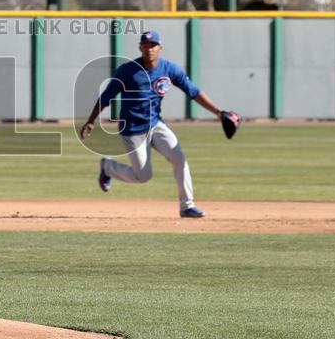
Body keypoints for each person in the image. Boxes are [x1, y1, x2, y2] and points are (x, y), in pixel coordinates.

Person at [79, 30, 232, 218]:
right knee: (143, 176)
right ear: (140, 47)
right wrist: (91, 121)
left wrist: (219, 112)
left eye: (153, 45)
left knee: (179, 158)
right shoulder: (127, 71)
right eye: (145, 45)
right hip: (132, 129)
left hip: (155, 124)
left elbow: (193, 92)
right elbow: (106, 97)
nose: (149, 49)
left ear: (160, 47)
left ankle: (187, 206)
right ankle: (108, 167)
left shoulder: (169, 69)